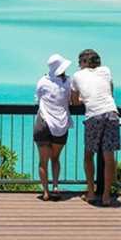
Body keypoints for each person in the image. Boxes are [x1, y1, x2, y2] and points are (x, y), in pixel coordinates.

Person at [71, 49, 120, 206]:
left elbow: (75, 102)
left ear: (85, 62)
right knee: (109, 157)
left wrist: (83, 99)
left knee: (88, 155)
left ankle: (91, 193)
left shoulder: (77, 76)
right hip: (111, 112)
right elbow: (110, 92)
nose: (79, 65)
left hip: (94, 115)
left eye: (80, 62)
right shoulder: (106, 71)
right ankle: (106, 195)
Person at [34, 53, 73, 201]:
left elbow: (37, 99)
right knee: (55, 158)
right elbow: (72, 99)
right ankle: (56, 187)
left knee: (42, 161)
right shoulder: (68, 82)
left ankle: (45, 192)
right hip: (61, 124)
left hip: (43, 122)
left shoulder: (42, 81)